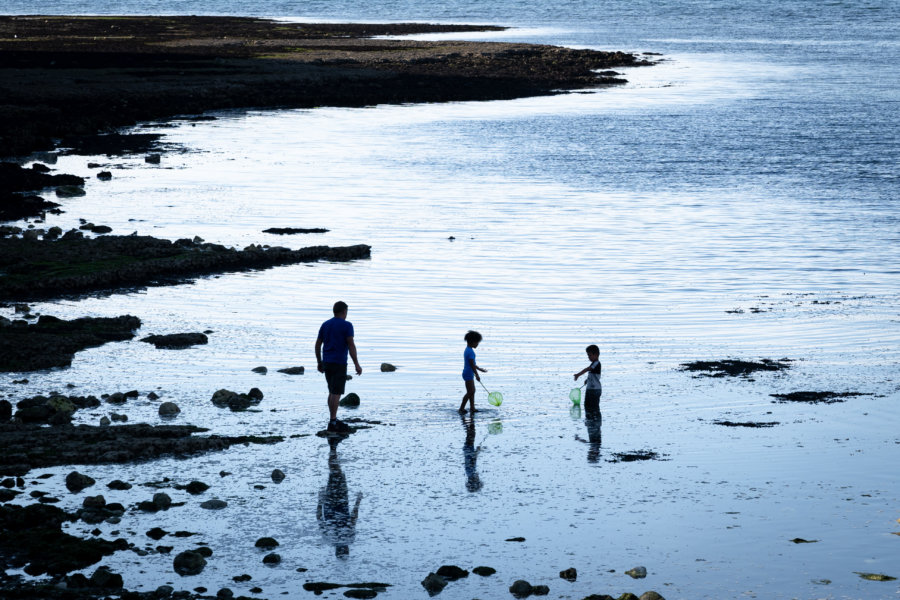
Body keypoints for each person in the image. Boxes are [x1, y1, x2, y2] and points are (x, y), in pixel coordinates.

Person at [315, 301, 362, 433]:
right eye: (346, 312)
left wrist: (319, 362)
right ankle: (333, 421)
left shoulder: (325, 325)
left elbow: (318, 344)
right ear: (344, 312)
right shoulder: (347, 326)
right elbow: (351, 345)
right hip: (339, 363)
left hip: (327, 363)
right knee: (336, 393)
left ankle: (332, 420)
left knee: (331, 391)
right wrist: (357, 364)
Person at [317, 436, 362, 558]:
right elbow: (319, 518)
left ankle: (333, 448)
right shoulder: (329, 540)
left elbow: (353, 519)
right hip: (330, 503)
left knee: (337, 473)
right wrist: (320, 501)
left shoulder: (349, 538)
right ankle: (333, 449)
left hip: (341, 502)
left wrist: (358, 501)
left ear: (346, 549)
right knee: (335, 472)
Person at [459, 330, 487, 413]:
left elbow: (472, 364)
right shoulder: (470, 352)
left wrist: (479, 369)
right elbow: (471, 365)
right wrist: (477, 375)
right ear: (472, 342)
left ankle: (472, 407)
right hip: (468, 373)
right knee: (471, 391)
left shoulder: (468, 350)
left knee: (472, 391)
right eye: (477, 342)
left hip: (468, 373)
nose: (477, 344)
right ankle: (461, 408)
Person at [574, 344, 602, 413]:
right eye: (588, 355)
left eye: (590, 355)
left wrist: (578, 374)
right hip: (590, 389)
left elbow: (588, 369)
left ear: (596, 355)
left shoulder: (597, 363)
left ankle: (595, 421)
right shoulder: (593, 363)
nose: (588, 357)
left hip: (595, 390)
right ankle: (589, 421)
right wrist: (587, 380)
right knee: (587, 405)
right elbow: (593, 375)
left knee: (594, 407)